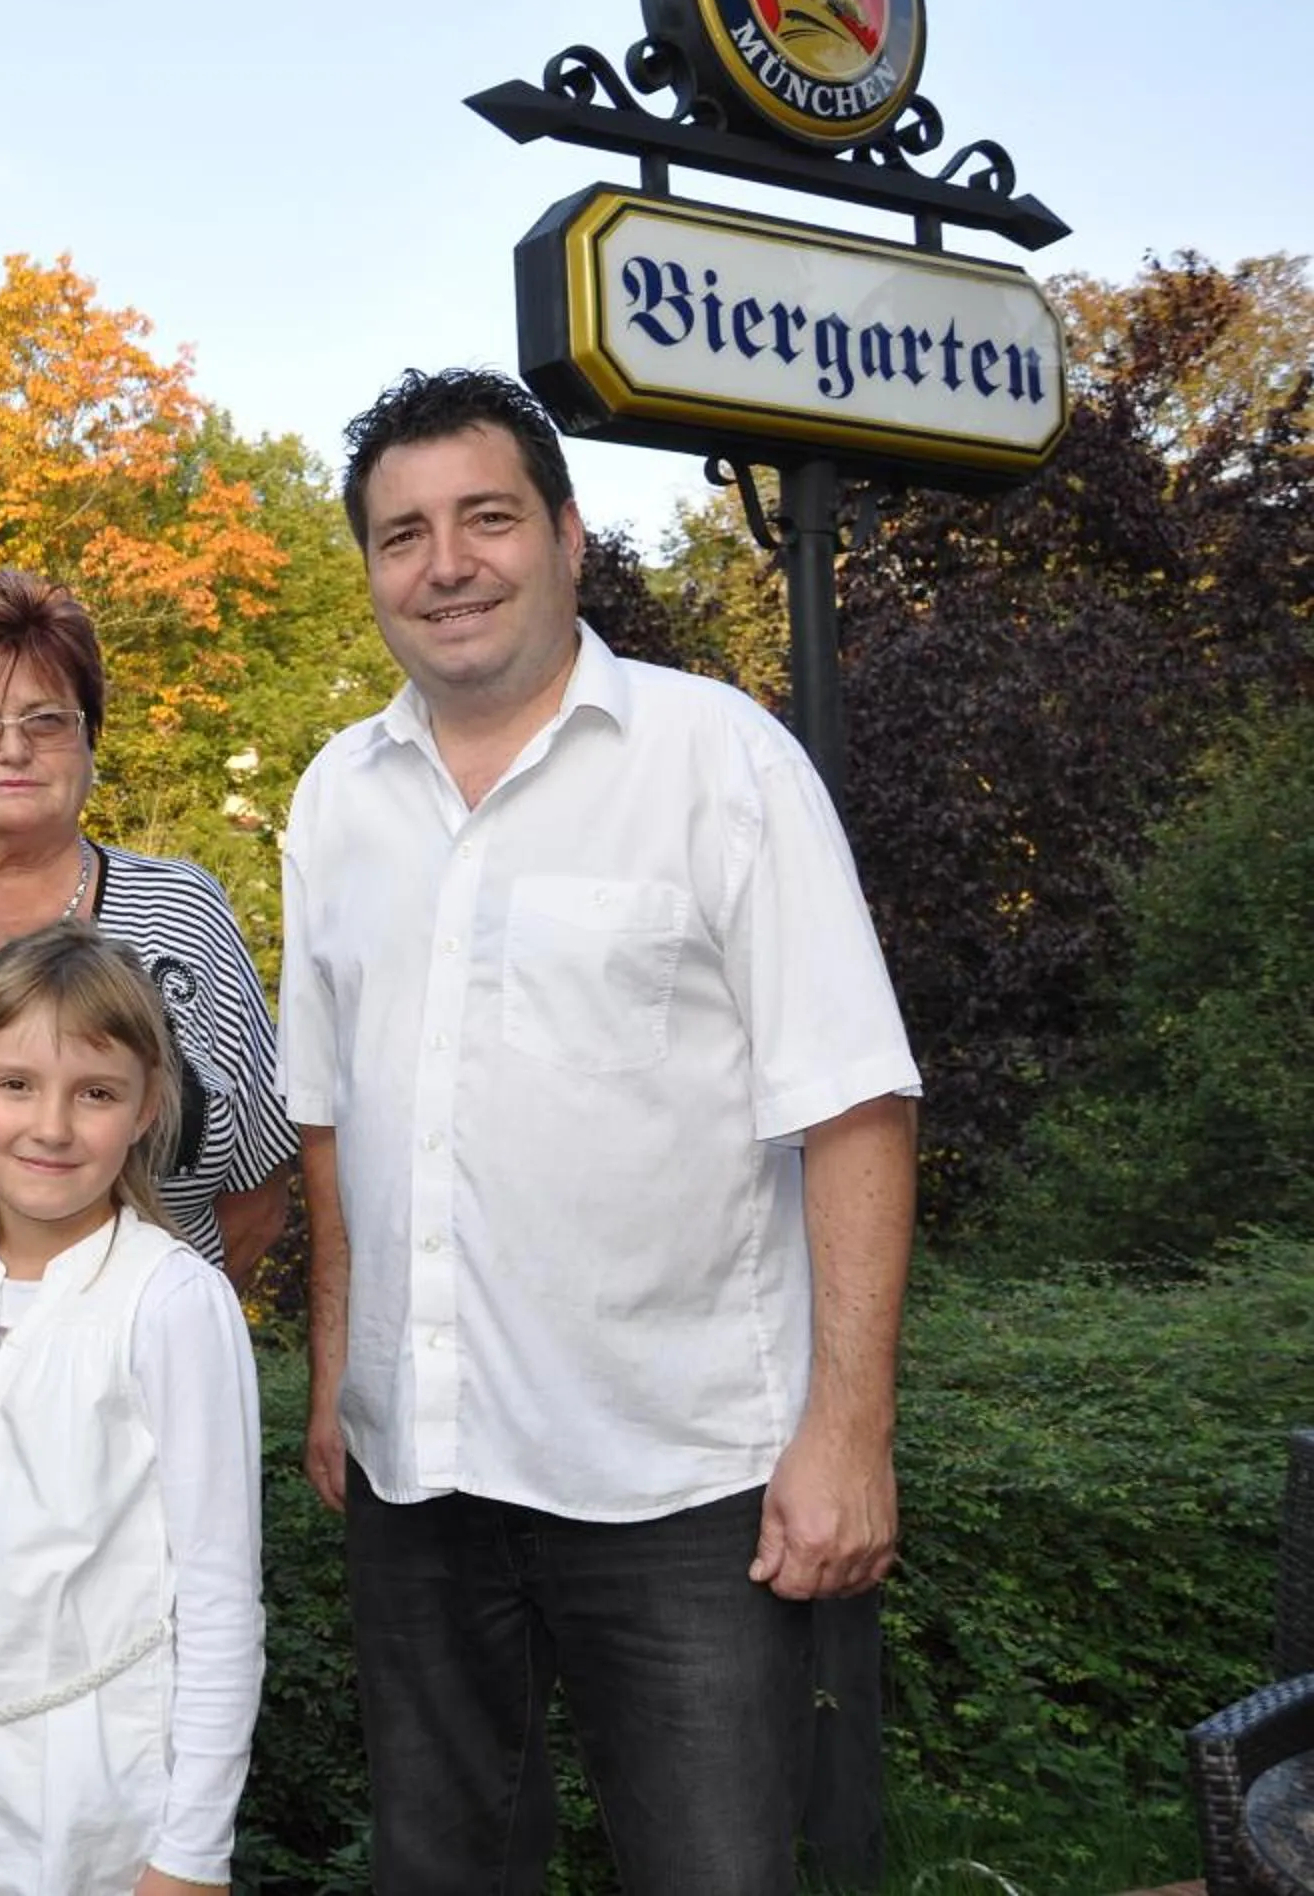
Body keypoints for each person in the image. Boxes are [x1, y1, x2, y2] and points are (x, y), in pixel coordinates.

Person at [280, 367, 921, 1895]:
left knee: (711, 1873)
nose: (447, 564)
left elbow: (856, 1102)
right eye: (403, 534)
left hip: (679, 1484)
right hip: (420, 1476)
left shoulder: (720, 762)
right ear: (370, 570)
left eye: (487, 519)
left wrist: (848, 1434)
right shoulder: (338, 798)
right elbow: (333, 1119)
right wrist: (337, 1379)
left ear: (567, 535)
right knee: (438, 1872)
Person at [0, 568, 295, 1870]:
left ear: (91, 736)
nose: (13, 748)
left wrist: (120, 1336)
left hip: (118, 1431)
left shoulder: (177, 913)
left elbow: (257, 1178)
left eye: (47, 718)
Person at [0, 922, 264, 1896]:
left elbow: (218, 1599)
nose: (51, 1127)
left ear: (147, 1106)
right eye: (16, 1084)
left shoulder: (171, 1302)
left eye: (95, 1094)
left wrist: (191, 1853)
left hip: (100, 1799)